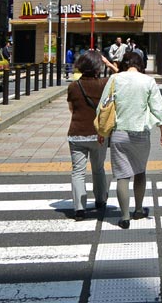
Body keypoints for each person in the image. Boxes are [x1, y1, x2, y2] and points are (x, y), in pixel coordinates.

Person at [97, 50, 162, 229]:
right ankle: (138, 209)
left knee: (122, 175)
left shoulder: (115, 79)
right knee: (140, 171)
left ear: (124, 63)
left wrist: (101, 131)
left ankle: (124, 217)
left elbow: (103, 105)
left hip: (119, 132)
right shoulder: (148, 81)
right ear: (140, 64)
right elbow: (158, 108)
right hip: (141, 133)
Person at [66, 51, 109, 220]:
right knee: (98, 168)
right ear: (98, 66)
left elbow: (71, 109)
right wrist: (109, 63)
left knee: (78, 171)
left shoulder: (73, 86)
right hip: (98, 134)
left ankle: (79, 209)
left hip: (77, 133)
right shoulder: (104, 84)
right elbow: (121, 76)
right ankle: (100, 200)